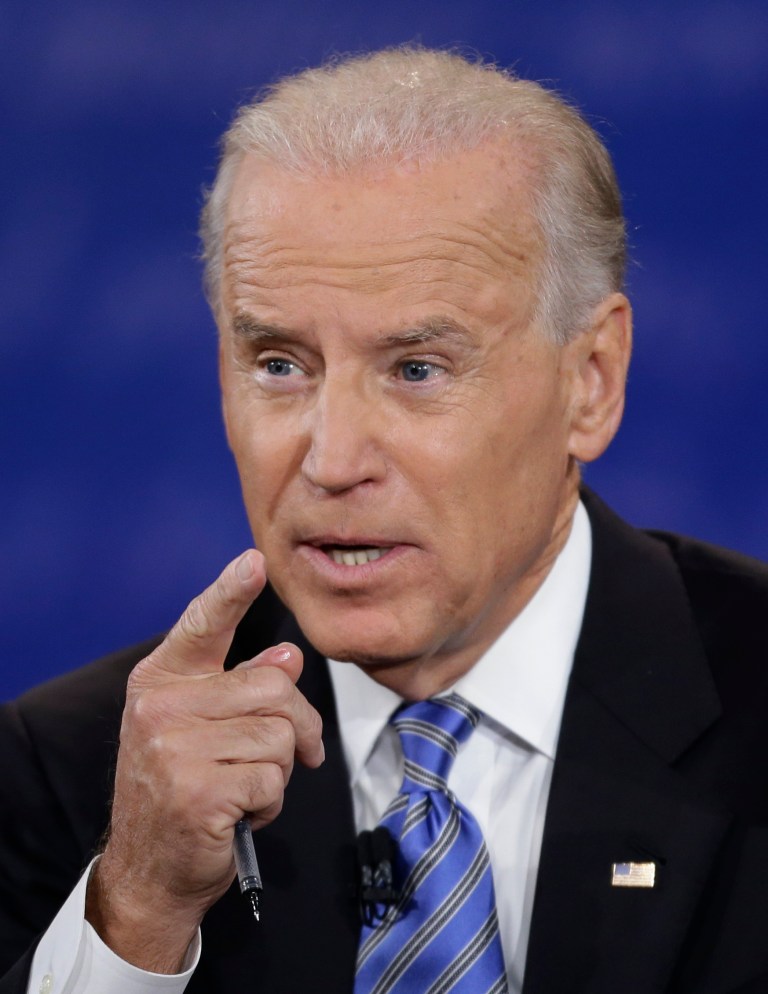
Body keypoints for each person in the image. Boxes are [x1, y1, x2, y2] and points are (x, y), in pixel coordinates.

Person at [1, 45, 767, 994]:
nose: (331, 461)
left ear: (591, 381)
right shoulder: (71, 779)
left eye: (416, 370)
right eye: (280, 365)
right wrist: (141, 914)